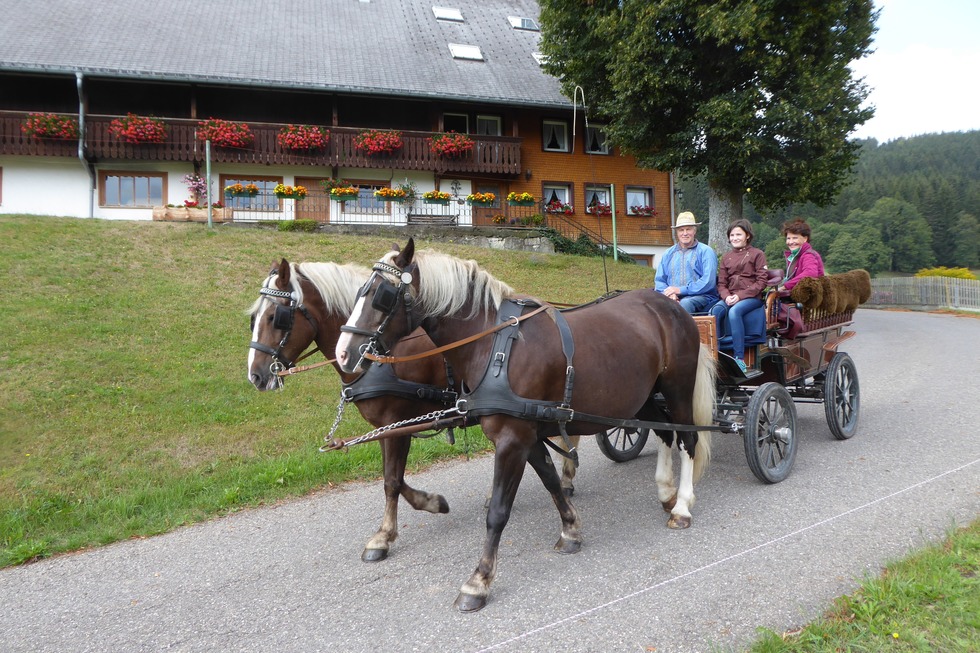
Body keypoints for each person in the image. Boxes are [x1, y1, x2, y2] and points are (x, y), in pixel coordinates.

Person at [709, 220, 769, 373]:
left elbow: (761, 282)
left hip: (751, 298)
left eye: (738, 234)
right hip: (729, 297)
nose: (734, 238)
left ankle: (739, 358)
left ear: (747, 236)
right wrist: (726, 296)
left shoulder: (758, 254)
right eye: (732, 235)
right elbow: (721, 283)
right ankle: (716, 356)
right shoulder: (726, 257)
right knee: (714, 312)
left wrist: (740, 296)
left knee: (735, 312)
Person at [654, 211, 719, 314]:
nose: (684, 233)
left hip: (703, 297)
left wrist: (680, 290)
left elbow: (708, 282)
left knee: (685, 303)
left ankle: (683, 331)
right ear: (677, 232)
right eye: (681, 230)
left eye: (688, 229)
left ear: (694, 231)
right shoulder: (668, 253)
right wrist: (670, 294)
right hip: (673, 296)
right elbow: (659, 280)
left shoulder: (706, 251)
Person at [780, 218, 825, 291]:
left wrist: (785, 286)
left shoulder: (809, 255)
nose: (790, 242)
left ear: (805, 239)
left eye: (795, 238)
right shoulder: (796, 255)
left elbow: (810, 274)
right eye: (788, 238)